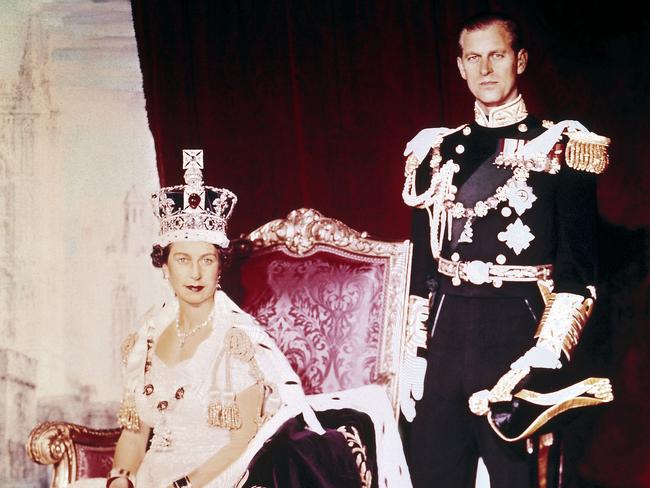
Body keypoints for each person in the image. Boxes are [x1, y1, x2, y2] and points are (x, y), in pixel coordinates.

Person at [72, 150, 411, 488]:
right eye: (183, 259)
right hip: (152, 478)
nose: (195, 273)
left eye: (207, 260)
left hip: (221, 475)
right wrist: (120, 478)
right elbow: (134, 433)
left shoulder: (238, 338)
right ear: (165, 264)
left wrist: (184, 484)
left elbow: (242, 439)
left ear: (221, 265)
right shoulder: (144, 339)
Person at [400, 12, 611, 488]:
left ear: (520, 60)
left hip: (518, 333)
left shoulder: (562, 147)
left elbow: (579, 274)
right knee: (433, 473)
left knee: (516, 478)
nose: (486, 69)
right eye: (473, 58)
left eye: (497, 55)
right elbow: (423, 268)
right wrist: (413, 352)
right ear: (459, 67)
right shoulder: (434, 151)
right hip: (445, 336)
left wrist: (545, 353)